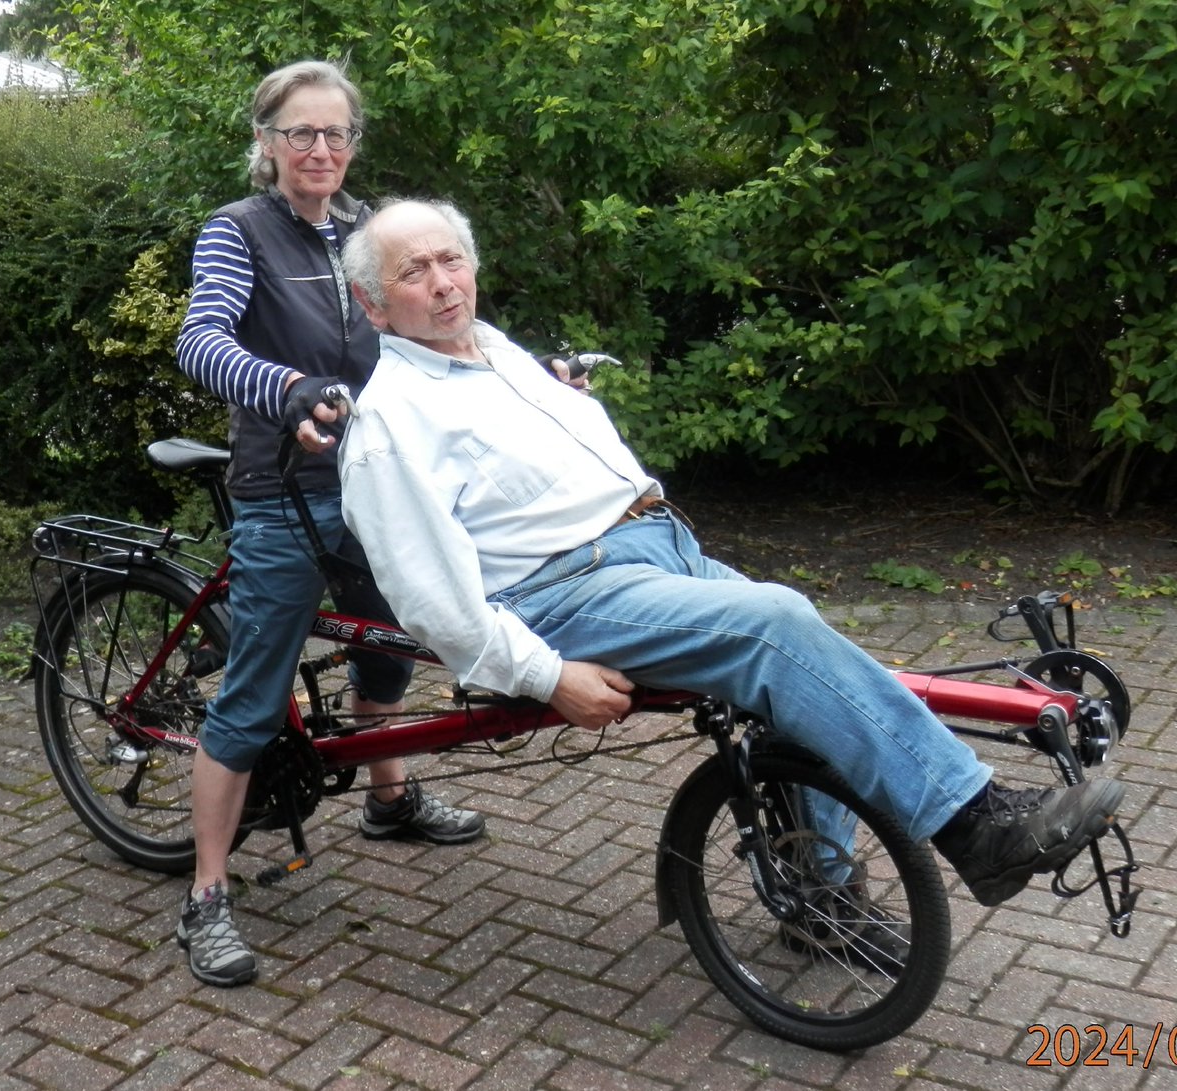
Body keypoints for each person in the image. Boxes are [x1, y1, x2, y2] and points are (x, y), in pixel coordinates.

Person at [335, 196, 1126, 914]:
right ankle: (975, 826)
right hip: (564, 595)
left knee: (814, 675)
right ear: (373, 304)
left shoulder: (494, 350)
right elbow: (430, 599)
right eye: (414, 271)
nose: (443, 282)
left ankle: (823, 896)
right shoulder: (389, 423)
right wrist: (546, 676)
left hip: (653, 550)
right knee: (777, 625)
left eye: (451, 258)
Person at [171, 64, 487, 988]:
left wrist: (527, 375)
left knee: (392, 642)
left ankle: (387, 801)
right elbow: (202, 341)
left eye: (336, 134)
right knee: (255, 695)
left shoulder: (365, 231)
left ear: (354, 144)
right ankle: (207, 892)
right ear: (265, 141)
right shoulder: (239, 231)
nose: (320, 151)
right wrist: (291, 388)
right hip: (286, 487)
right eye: (300, 134)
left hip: (378, 484)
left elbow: (429, 321)